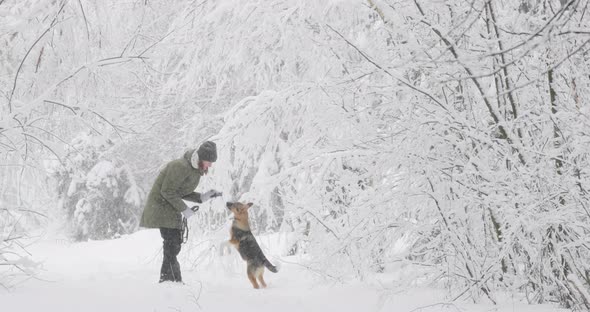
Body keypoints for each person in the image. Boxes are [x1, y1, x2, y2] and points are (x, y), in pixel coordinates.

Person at [140, 141, 222, 283]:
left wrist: (203, 197)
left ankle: (169, 280)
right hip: (161, 208)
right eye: (209, 161)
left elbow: (181, 191)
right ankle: (171, 280)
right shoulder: (180, 166)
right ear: (201, 158)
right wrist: (185, 210)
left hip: (170, 209)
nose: (210, 165)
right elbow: (167, 191)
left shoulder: (193, 170)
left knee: (174, 244)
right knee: (172, 244)